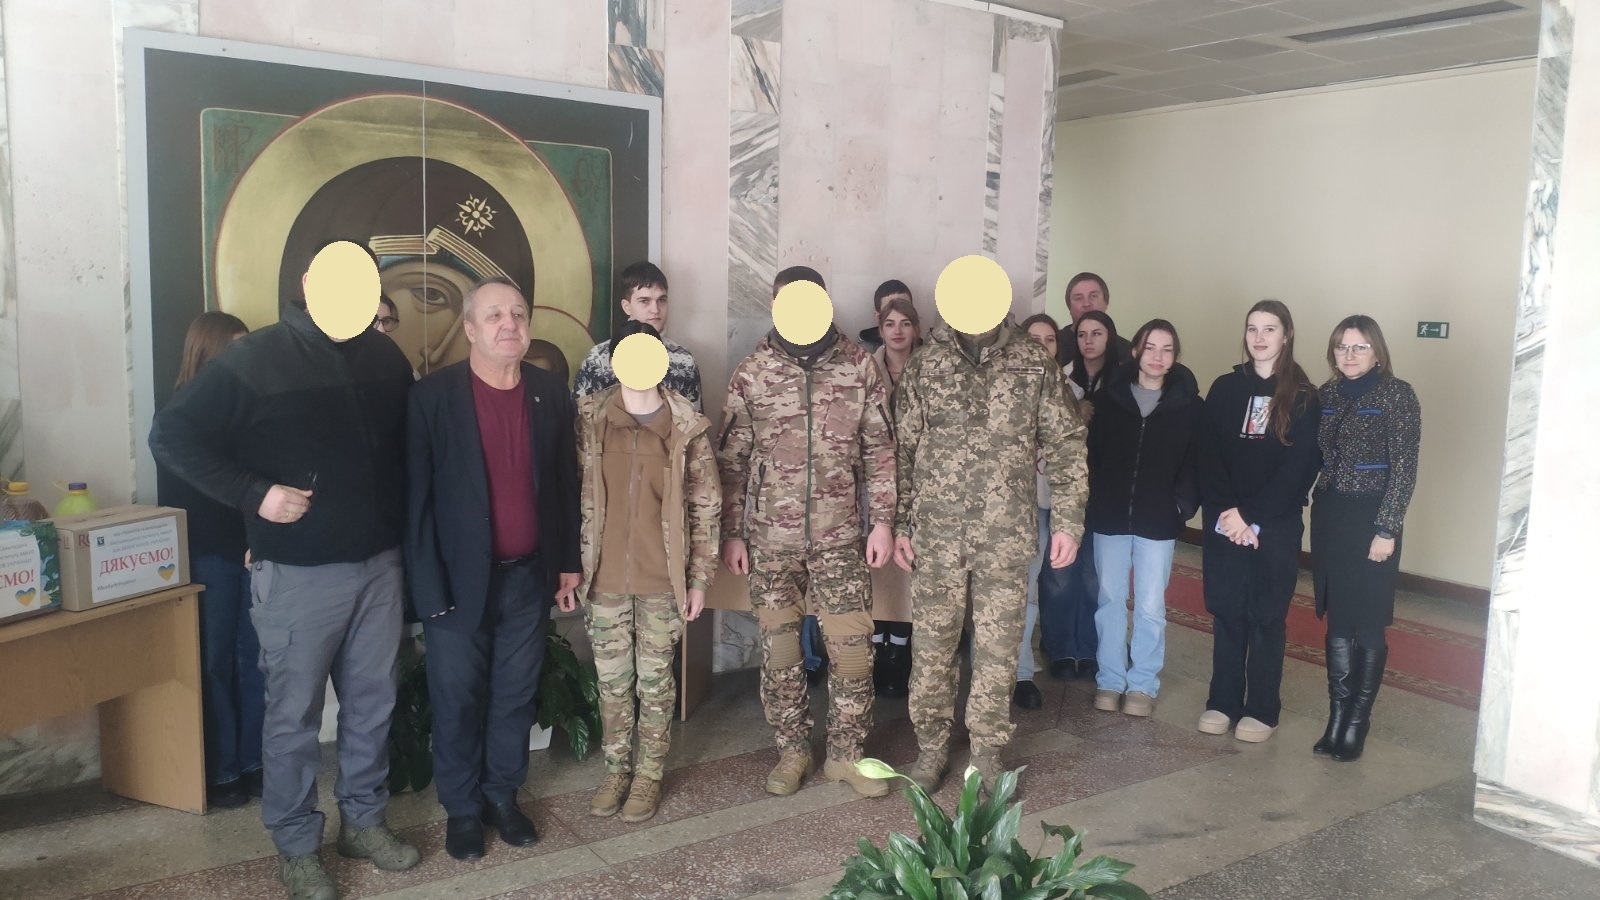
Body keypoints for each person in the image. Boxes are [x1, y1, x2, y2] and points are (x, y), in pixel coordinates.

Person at [149, 240, 419, 900]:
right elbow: (172, 435)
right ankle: (297, 846)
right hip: (298, 573)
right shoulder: (254, 358)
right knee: (294, 717)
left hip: (380, 566)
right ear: (306, 280)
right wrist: (255, 494)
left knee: (372, 705)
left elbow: (406, 453)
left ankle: (363, 822)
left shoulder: (385, 357)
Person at [406, 277, 583, 861]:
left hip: (528, 578)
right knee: (456, 698)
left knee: (514, 695)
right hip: (455, 584)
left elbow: (564, 484)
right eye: (495, 315)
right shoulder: (433, 397)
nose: (510, 324)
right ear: (470, 329)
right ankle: (461, 809)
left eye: (519, 313)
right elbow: (416, 502)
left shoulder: (549, 392)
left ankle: (502, 797)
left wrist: (567, 564)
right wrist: (426, 588)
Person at [717, 265, 897, 799]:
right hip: (771, 541)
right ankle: (793, 749)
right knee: (779, 652)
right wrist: (732, 532)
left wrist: (883, 522)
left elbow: (880, 451)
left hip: (841, 536)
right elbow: (732, 460)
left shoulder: (858, 366)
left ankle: (846, 754)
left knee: (853, 651)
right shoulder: (753, 372)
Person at [893, 311, 1087, 791]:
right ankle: (932, 747)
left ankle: (986, 751)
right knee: (932, 649)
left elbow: (1066, 443)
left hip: (1004, 537)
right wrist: (899, 524)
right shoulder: (926, 363)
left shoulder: (1032, 361)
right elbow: (903, 450)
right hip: (937, 536)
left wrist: (1068, 522)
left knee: (998, 652)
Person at [577, 321, 721, 821]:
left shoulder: (685, 427)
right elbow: (566, 493)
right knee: (613, 683)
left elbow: (706, 507)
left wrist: (699, 578)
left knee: (656, 683)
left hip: (664, 581)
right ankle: (617, 769)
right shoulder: (590, 420)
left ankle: (649, 774)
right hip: (604, 581)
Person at [1197, 300, 1322, 744]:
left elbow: (1300, 466)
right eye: (1253, 328)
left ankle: (1263, 709)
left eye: (1270, 329)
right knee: (1228, 611)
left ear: (1287, 335)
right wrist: (1230, 514)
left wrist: (1251, 516)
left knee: (1267, 616)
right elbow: (1208, 454)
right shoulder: (1225, 388)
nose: (1260, 337)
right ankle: (1223, 701)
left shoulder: (1304, 396)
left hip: (1275, 524)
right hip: (1225, 520)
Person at [156, 311, 262, 810]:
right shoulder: (179, 416)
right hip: (209, 557)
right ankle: (222, 770)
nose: (245, 356)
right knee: (215, 664)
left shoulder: (252, 410)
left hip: (253, 553)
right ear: (208, 352)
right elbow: (192, 496)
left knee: (256, 663)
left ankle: (255, 762)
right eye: (234, 346)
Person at [1310, 316, 1421, 762]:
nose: (1349, 355)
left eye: (1359, 347)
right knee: (1338, 620)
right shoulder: (1326, 395)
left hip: (1373, 518)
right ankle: (1337, 717)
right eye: (1342, 347)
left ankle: (1357, 721)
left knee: (1369, 621)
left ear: (1377, 352)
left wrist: (1387, 528)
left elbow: (1405, 468)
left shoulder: (1397, 395)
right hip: (1331, 516)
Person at [1086, 319, 1202, 718]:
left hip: (1158, 519)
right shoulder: (1109, 400)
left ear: (1175, 357)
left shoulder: (1190, 406)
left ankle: (1142, 683)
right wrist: (1094, 497)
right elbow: (1092, 456)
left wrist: (1181, 506)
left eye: (1167, 349)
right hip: (1110, 515)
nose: (1157, 356)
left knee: (1151, 605)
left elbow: (1195, 463)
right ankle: (1110, 679)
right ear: (1136, 350)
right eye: (1150, 347)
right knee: (1110, 600)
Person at [869, 296, 920, 698]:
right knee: (876, 566)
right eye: (890, 324)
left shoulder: (929, 368)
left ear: (915, 329)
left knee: (907, 566)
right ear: (880, 329)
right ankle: (876, 646)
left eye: (905, 323)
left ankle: (900, 649)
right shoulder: (866, 369)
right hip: (875, 480)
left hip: (918, 479)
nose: (898, 331)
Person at [573, 262, 703, 408]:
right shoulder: (598, 359)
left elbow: (695, 418)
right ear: (627, 306)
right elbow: (583, 417)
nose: (655, 309)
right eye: (644, 301)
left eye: (661, 300)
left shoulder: (684, 360)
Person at [1056, 273, 1133, 370]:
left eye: (1093, 296)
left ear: (1106, 302)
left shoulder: (1127, 351)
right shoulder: (1053, 343)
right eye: (1078, 298)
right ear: (1069, 307)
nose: (1086, 304)